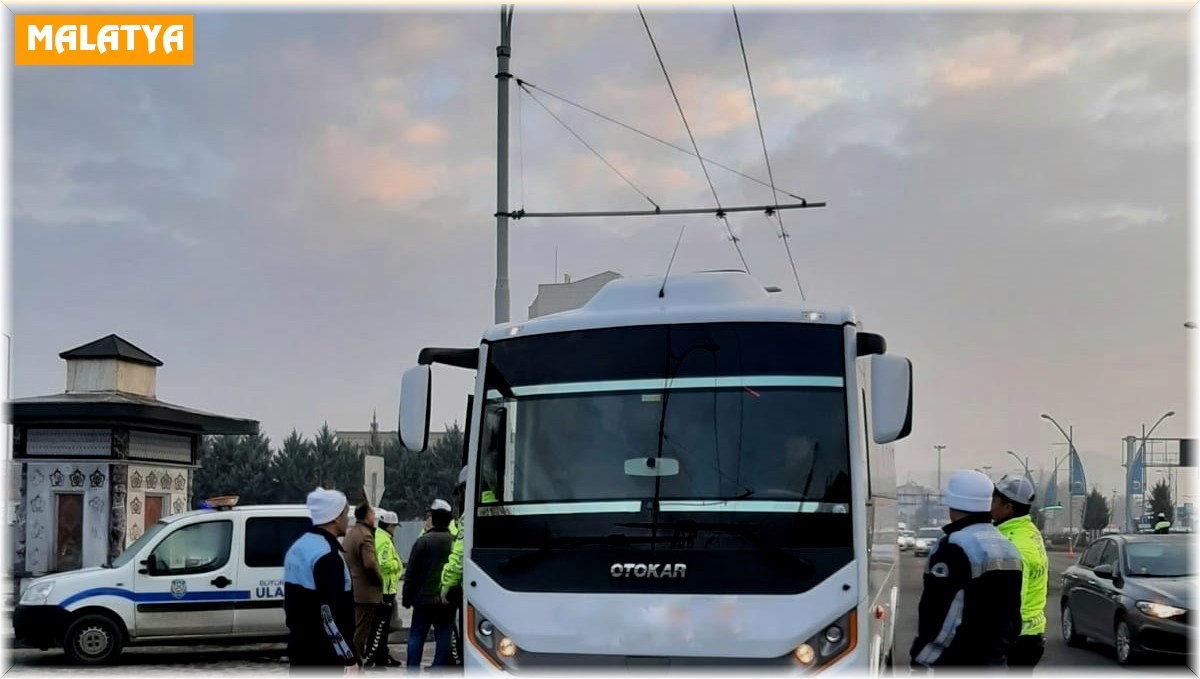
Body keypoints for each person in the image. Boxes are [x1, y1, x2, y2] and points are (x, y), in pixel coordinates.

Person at [910, 469, 1024, 669]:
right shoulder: (1009, 548)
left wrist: (922, 659)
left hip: (957, 662)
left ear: (952, 505)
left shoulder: (953, 547)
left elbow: (941, 614)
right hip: (997, 661)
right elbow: (1014, 614)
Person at [283, 487, 360, 674]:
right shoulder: (327, 554)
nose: (347, 520)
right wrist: (348, 656)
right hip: (324, 655)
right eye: (345, 514)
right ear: (335, 517)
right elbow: (329, 614)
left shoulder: (300, 546)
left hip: (300, 648)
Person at [992, 474, 1049, 671]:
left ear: (1008, 507)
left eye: (994, 500)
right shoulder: (1029, 531)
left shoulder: (1013, 545)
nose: (990, 504)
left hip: (1015, 638)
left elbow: (1013, 600)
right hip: (1031, 633)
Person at [402, 499, 456, 671]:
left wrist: (407, 598)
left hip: (422, 600)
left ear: (433, 519)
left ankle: (412, 671)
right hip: (446, 600)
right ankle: (438, 670)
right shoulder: (454, 542)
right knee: (444, 637)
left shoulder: (422, 542)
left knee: (416, 636)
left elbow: (411, 574)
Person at [363, 510, 403, 669]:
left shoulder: (378, 536)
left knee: (382, 626)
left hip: (383, 588)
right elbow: (384, 563)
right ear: (390, 526)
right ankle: (372, 656)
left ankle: (381, 655)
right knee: (380, 626)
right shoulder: (384, 540)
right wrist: (397, 565)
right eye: (395, 526)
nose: (395, 529)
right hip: (385, 589)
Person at [343, 502, 382, 658]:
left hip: (352, 589)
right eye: (372, 514)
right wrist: (379, 580)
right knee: (361, 630)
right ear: (367, 515)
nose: (374, 517)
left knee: (354, 627)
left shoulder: (351, 533)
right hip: (365, 592)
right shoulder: (365, 535)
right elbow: (370, 565)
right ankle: (356, 660)